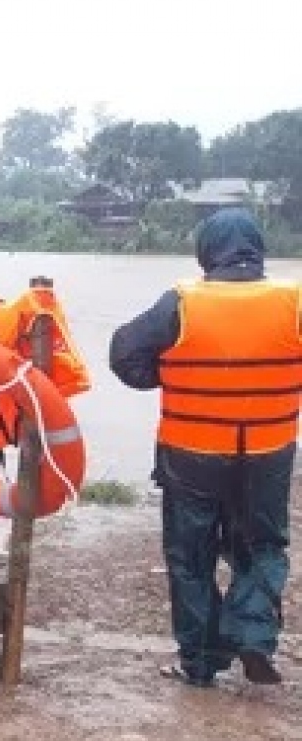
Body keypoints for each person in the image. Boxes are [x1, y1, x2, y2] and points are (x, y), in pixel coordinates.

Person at [110, 207, 297, 687]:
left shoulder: (181, 301)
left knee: (191, 558)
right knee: (264, 549)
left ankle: (200, 662)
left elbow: (124, 351)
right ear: (257, 250)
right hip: (269, 453)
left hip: (191, 453)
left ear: (206, 253)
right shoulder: (294, 300)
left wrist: (165, 376)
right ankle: (253, 638)